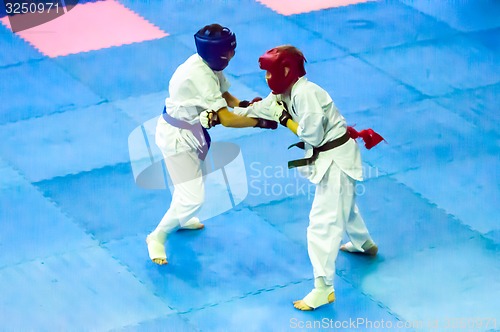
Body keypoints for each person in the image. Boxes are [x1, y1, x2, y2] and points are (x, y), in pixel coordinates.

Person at [220, 45, 383, 310]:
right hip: (330, 157)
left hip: (336, 158)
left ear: (286, 71)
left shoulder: (306, 94)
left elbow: (313, 136)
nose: (267, 79)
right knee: (343, 204)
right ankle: (364, 243)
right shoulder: (282, 94)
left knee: (322, 224)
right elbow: (257, 110)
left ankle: (324, 289)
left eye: (270, 73)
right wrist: (218, 117)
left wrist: (284, 119)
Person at [147, 24, 277, 266]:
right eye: (230, 51)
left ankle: (182, 220)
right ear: (219, 54)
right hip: (177, 137)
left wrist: (249, 106)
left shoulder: (206, 63)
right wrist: (258, 122)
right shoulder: (200, 75)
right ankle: (157, 237)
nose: (233, 55)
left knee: (190, 183)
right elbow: (226, 119)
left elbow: (227, 98)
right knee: (192, 198)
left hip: (192, 131)